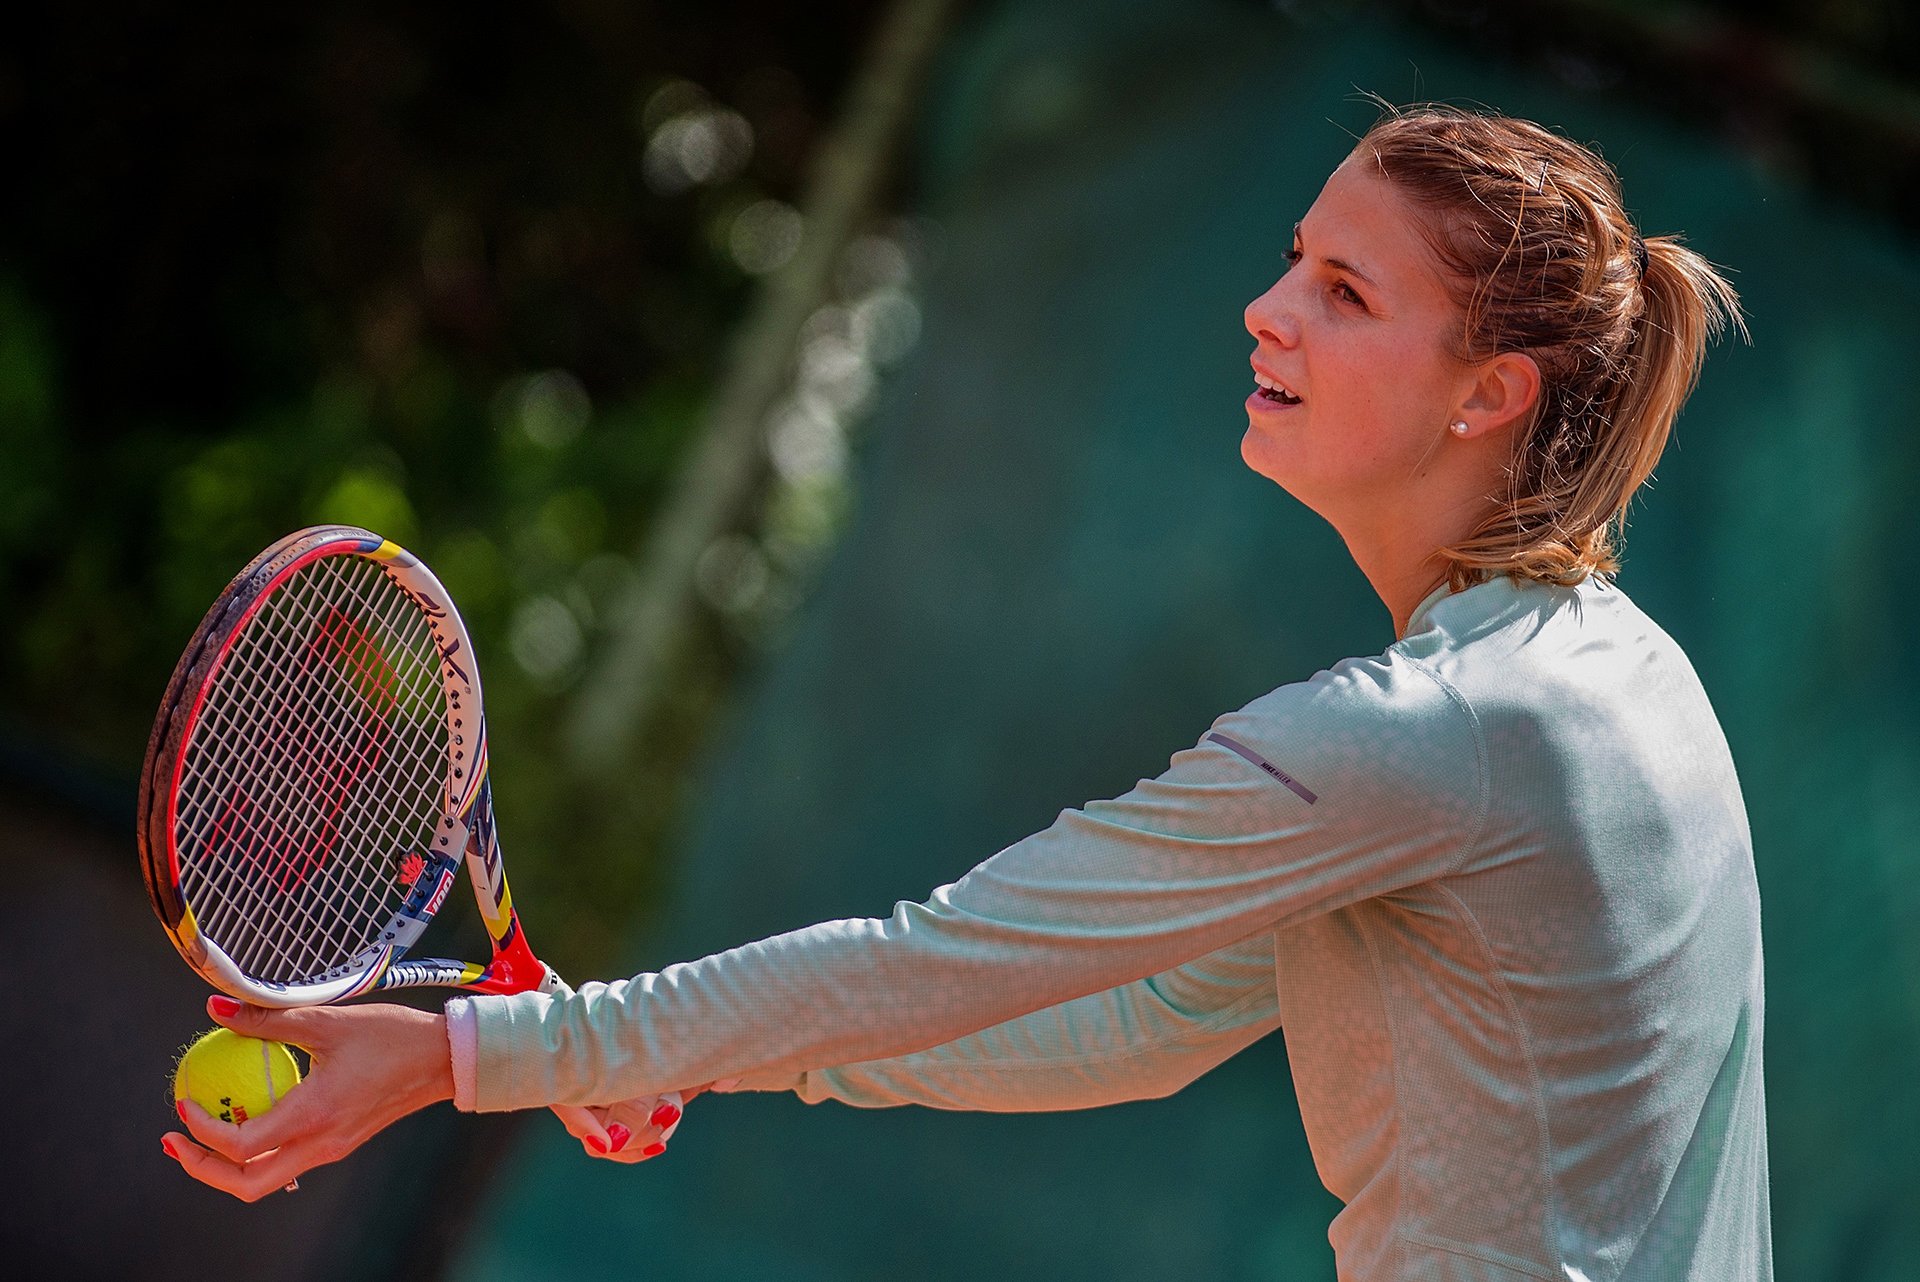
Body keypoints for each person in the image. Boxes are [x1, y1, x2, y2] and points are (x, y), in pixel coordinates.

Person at [163, 102, 1770, 1279]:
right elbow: (1136, 1021)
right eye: (1295, 261)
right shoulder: (1623, 686)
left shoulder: (1421, 743)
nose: (1266, 309)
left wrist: (483, 1055)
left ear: (1490, 395)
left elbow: (942, 958)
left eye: (1347, 293)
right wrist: (636, 1049)